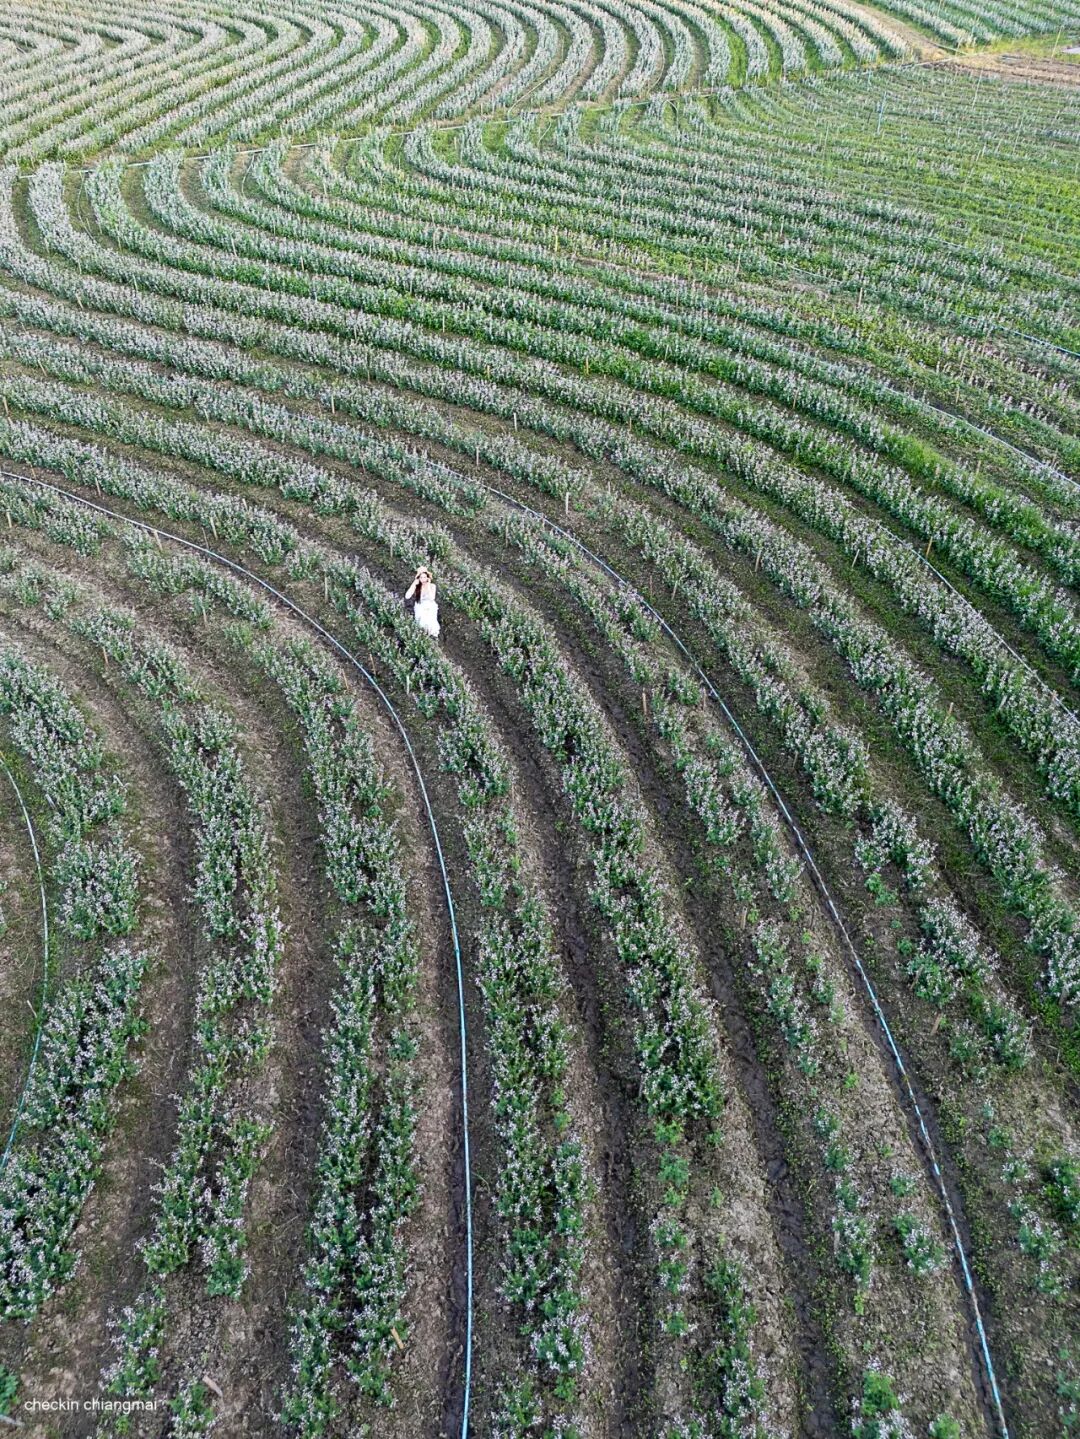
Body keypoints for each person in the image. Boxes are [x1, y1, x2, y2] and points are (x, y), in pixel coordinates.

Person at [405, 565, 440, 638]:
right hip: (420, 606)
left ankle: (432, 636)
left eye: (424, 577)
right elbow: (407, 596)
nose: (423, 579)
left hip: (430, 606)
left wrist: (428, 585)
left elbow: (432, 598)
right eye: (421, 577)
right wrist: (414, 584)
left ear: (427, 577)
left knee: (431, 623)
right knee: (421, 624)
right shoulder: (417, 587)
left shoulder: (432, 586)